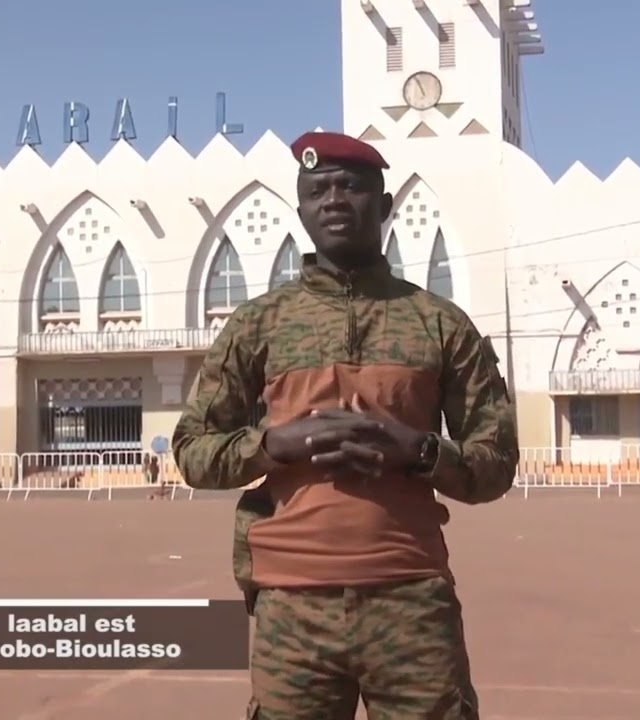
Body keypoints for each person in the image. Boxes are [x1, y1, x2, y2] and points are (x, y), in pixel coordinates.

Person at [172, 131, 519, 720]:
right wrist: (275, 443)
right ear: (302, 208)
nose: (334, 199)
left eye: (352, 186)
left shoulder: (439, 324)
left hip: (410, 599)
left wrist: (420, 450)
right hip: (291, 608)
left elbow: (496, 465)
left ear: (383, 207)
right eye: (318, 190)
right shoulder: (259, 325)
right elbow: (193, 453)